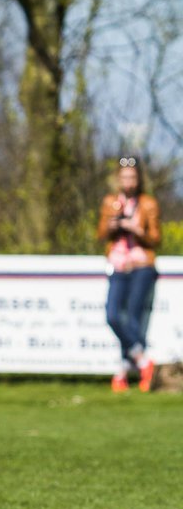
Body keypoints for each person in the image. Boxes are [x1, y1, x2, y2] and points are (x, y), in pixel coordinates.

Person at [98, 156, 161, 393]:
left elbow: (156, 238)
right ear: (118, 179)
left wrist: (138, 229)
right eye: (124, 177)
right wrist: (113, 225)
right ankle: (144, 362)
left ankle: (124, 374)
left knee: (134, 319)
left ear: (138, 179)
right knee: (113, 315)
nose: (128, 181)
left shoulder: (147, 203)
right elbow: (101, 233)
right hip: (117, 264)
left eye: (132, 177)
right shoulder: (111, 202)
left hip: (141, 265)